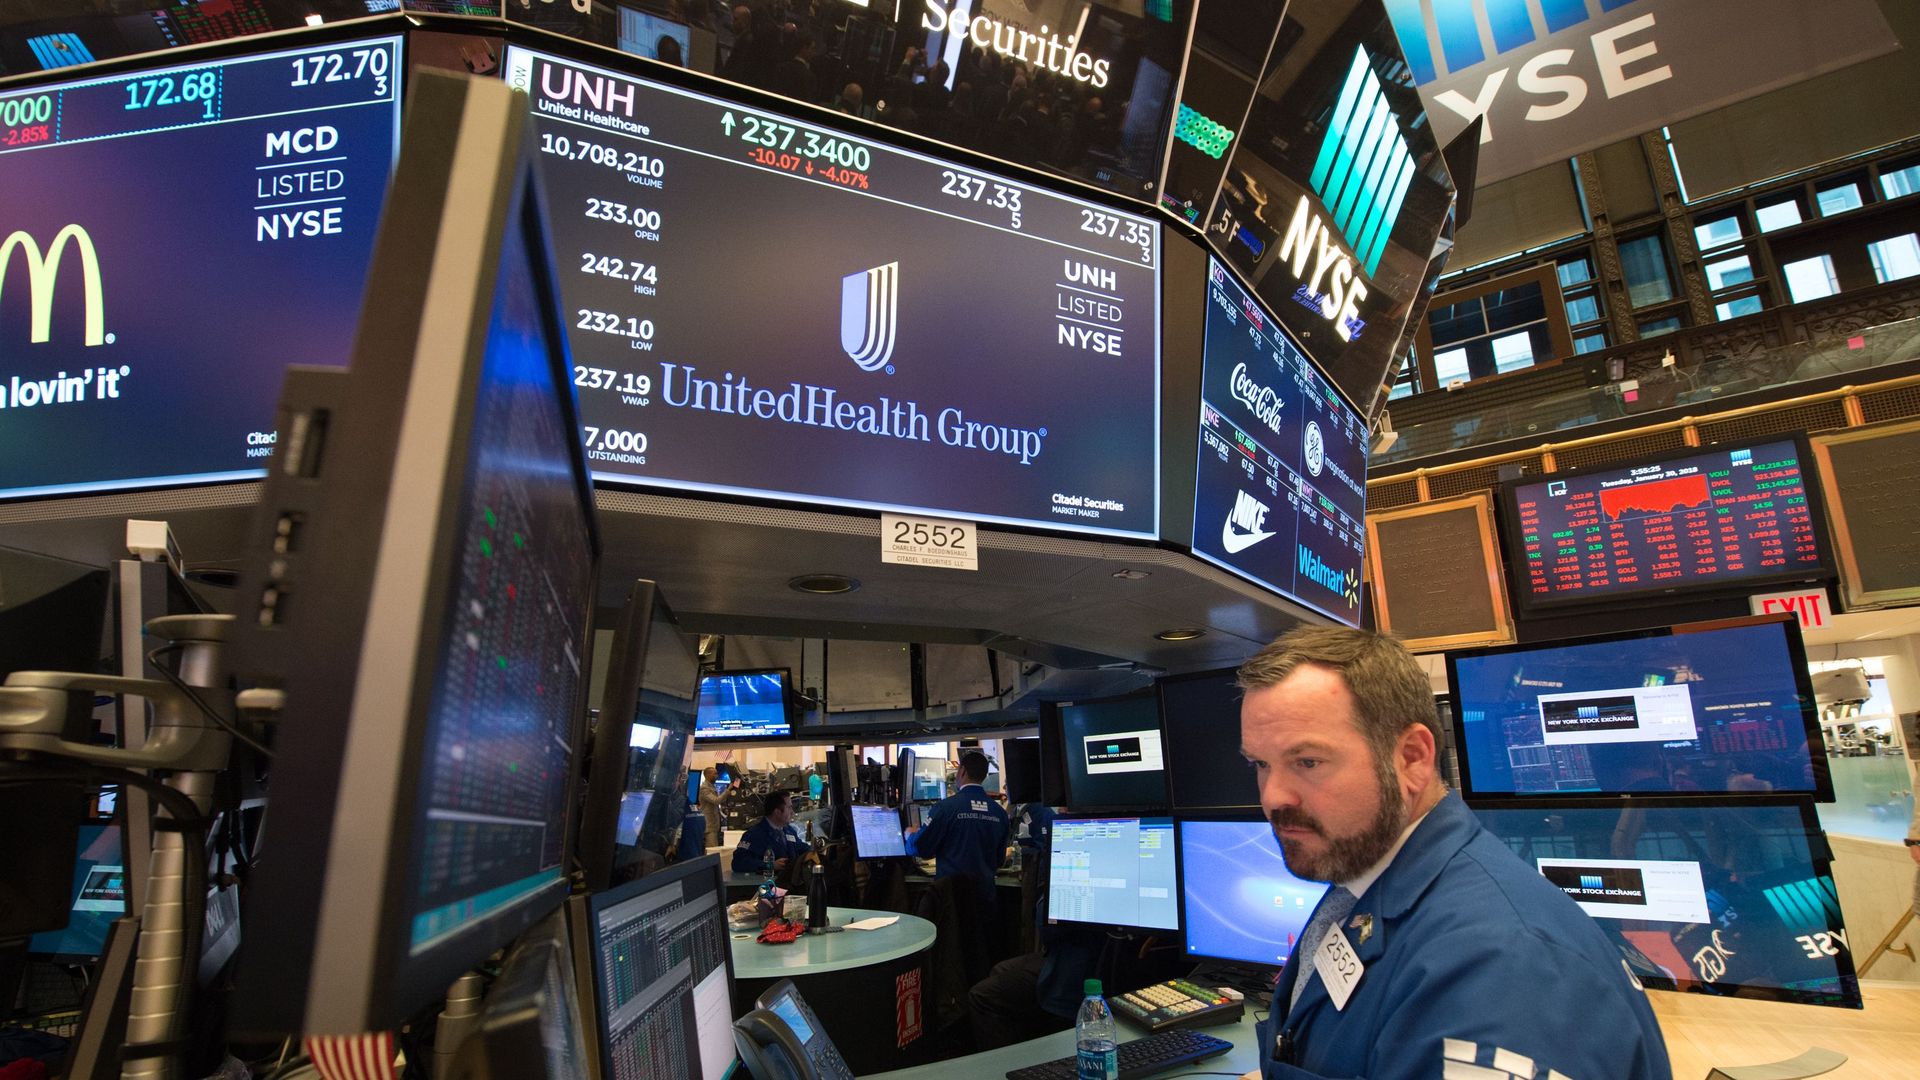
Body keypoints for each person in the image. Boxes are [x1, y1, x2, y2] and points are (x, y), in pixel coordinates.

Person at [1239, 626, 1670, 1079]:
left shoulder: (1501, 971)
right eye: (1260, 765)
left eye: (1307, 762)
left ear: (1411, 758)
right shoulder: (1366, 877)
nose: (1273, 797)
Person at [908, 749, 1007, 904]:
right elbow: (999, 860)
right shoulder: (1000, 813)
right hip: (985, 898)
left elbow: (921, 848)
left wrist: (910, 836)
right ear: (984, 776)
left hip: (952, 900)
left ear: (962, 771)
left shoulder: (945, 808)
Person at [732, 789, 808, 875]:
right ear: (777, 812)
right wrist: (769, 865)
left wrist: (817, 850)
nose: (793, 812)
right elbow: (738, 862)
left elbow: (800, 848)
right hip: (768, 884)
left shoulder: (788, 830)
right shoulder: (753, 835)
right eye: (789, 808)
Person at [698, 765, 725, 847]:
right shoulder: (704, 789)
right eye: (715, 774)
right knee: (712, 851)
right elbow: (716, 801)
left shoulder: (712, 787)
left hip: (714, 825)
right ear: (708, 775)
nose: (717, 776)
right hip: (709, 826)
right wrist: (728, 790)